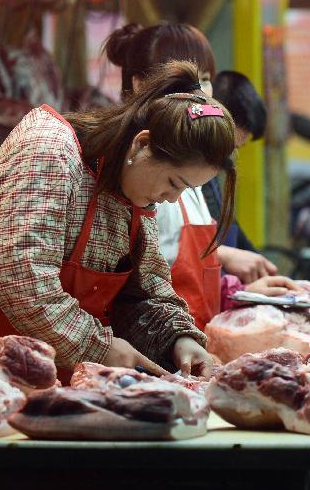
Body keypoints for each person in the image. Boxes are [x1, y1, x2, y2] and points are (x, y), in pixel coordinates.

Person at [0, 60, 226, 379]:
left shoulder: (131, 189)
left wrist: (180, 339)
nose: (172, 199)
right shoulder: (49, 151)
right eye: (174, 183)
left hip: (59, 379)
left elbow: (145, 291)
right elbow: (18, 274)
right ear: (142, 145)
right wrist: (98, 347)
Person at [104, 23, 294, 329]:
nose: (202, 93)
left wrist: (236, 293)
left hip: (187, 340)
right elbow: (136, 289)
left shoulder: (190, 167)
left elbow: (185, 278)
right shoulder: (130, 171)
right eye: (189, 80)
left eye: (206, 80)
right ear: (141, 84)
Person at [206, 70, 267, 252]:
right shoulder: (189, 173)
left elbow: (227, 222)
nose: (231, 154)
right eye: (230, 145)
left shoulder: (212, 171)